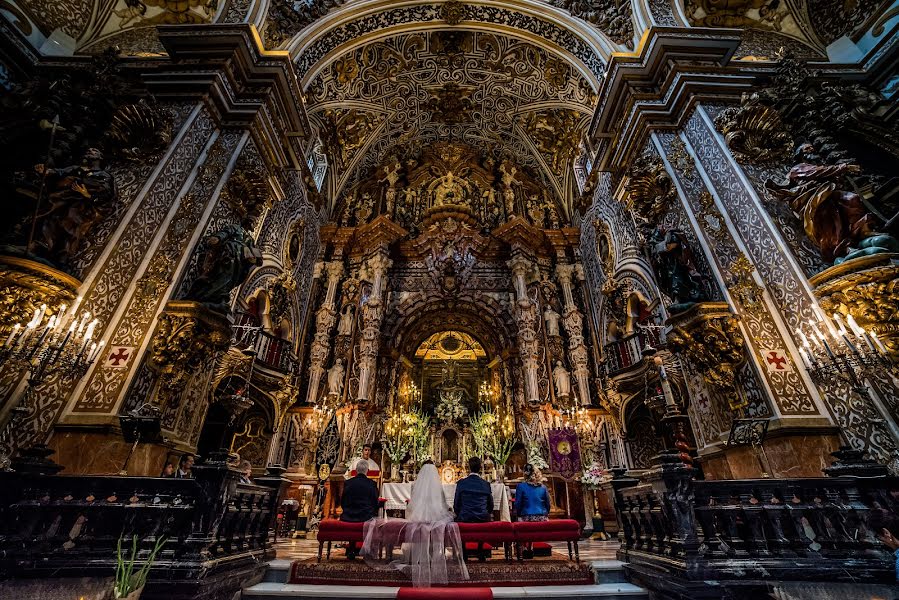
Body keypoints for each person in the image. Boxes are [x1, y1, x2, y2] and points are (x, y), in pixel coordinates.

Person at [361, 462, 469, 587]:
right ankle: (434, 555)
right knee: (441, 523)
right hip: (435, 519)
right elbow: (443, 506)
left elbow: (411, 506)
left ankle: (421, 557)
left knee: (422, 526)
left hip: (419, 518)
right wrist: (448, 511)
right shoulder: (438, 488)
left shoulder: (416, 486)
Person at [514, 464, 551, 559]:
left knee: (519, 522)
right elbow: (548, 504)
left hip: (526, 517)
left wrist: (517, 513)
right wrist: (545, 513)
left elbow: (518, 504)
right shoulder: (543, 487)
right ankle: (530, 547)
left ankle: (525, 548)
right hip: (541, 517)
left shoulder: (521, 486)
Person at [453, 456, 493, 523]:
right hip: (482, 518)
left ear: (468, 468)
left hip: (465, 518)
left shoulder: (461, 483)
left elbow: (456, 505)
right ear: (480, 468)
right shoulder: (486, 484)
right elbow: (490, 506)